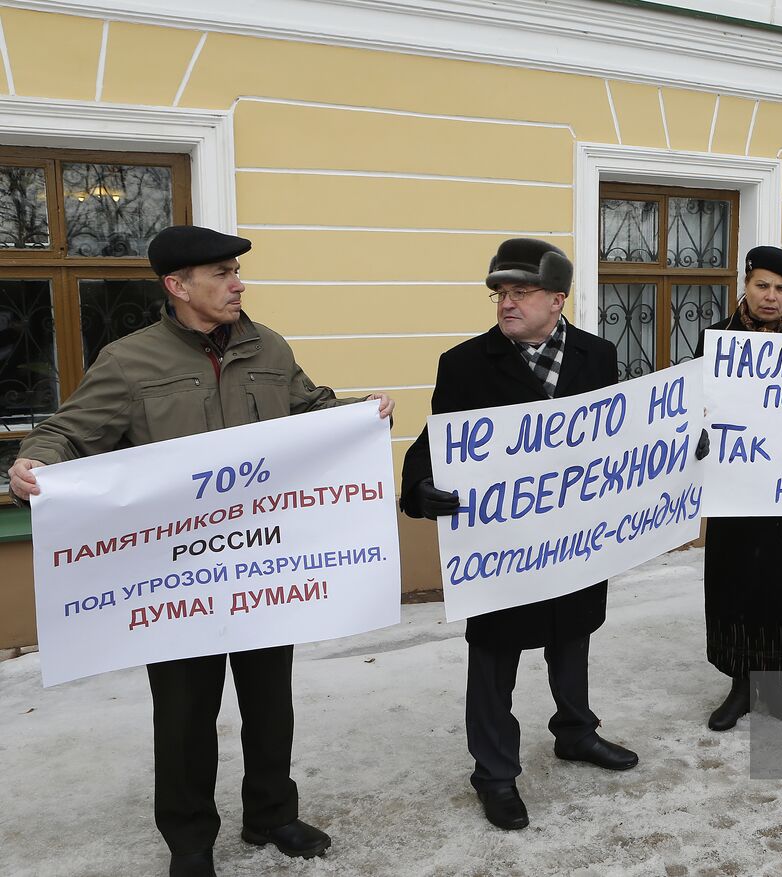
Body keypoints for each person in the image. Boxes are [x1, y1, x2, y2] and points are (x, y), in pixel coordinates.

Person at [7, 225, 395, 877]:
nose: (238, 282)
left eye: (236, 271)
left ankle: (272, 813)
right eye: (221, 272)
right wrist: (33, 462)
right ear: (177, 285)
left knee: (271, 700)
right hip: (178, 579)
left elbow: (310, 411)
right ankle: (190, 839)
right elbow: (67, 433)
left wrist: (358, 414)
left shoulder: (268, 347)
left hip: (262, 562)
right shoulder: (132, 362)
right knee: (185, 713)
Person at [399, 238, 636, 831]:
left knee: (573, 635)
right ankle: (495, 774)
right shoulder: (464, 364)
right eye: (500, 293)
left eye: (520, 293)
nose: (506, 303)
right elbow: (435, 444)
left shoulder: (597, 355)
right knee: (495, 656)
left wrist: (680, 445)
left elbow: (627, 430)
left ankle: (577, 733)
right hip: (501, 549)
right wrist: (421, 486)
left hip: (575, 539)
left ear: (558, 299)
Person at [698, 246, 782, 730]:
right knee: (738, 584)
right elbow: (697, 407)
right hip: (736, 491)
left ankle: (773, 683)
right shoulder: (717, 339)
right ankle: (739, 685)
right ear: (746, 286)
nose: (771, 297)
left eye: (781, 289)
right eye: (763, 286)